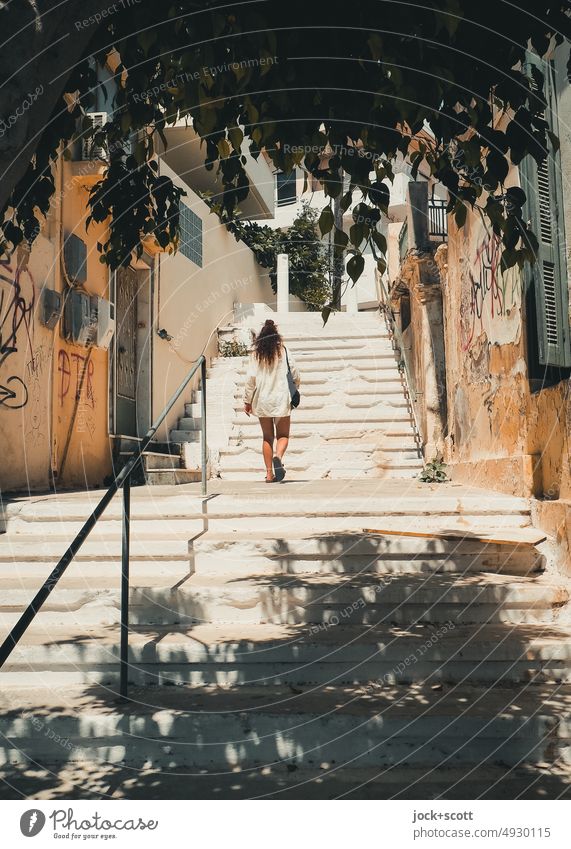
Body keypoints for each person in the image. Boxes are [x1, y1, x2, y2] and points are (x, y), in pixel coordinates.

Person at [243, 318, 301, 482]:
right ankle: (279, 457)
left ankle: (269, 474)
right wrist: (296, 386)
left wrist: (247, 401)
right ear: (276, 336)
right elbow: (295, 372)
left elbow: (251, 379)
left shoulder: (256, 354)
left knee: (267, 437)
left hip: (262, 400)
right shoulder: (283, 350)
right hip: (281, 398)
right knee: (283, 435)